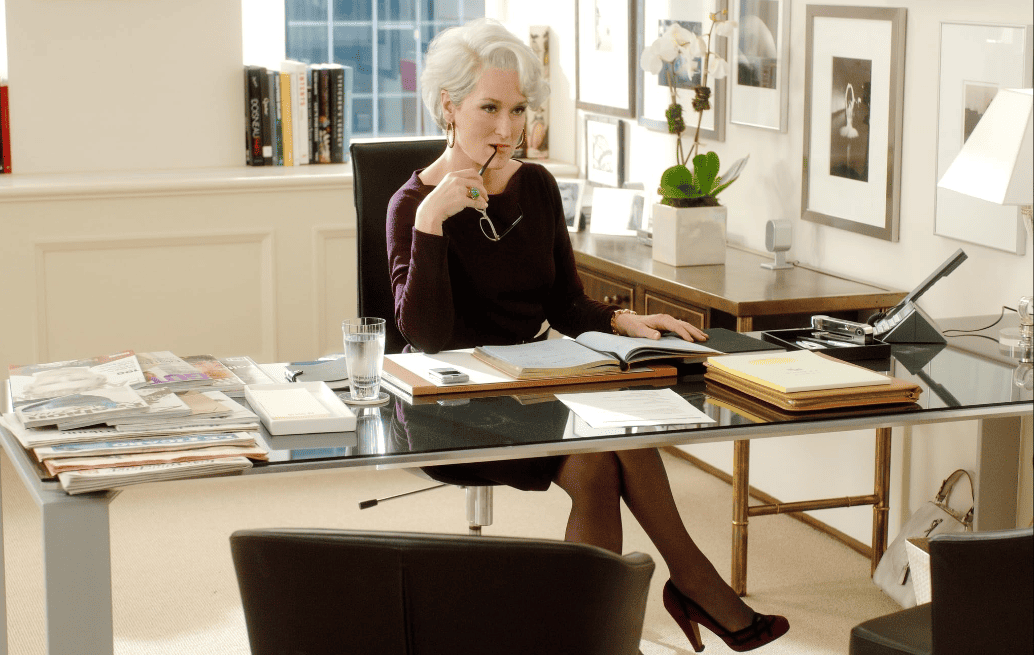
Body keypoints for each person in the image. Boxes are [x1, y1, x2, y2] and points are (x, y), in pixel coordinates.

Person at [386, 18, 788, 652]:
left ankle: (605, 631)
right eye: (489, 108)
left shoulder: (537, 187)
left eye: (517, 109)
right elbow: (427, 338)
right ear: (448, 106)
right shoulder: (413, 205)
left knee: (606, 448)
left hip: (540, 388)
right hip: (455, 405)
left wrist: (627, 321)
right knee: (603, 452)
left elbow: (565, 303)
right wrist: (434, 222)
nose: (507, 128)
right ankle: (687, 588)